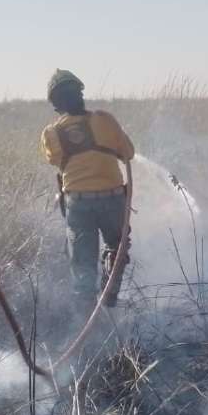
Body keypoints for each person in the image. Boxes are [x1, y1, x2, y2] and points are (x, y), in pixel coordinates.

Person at [40, 69, 135, 309]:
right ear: (81, 93)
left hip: (78, 204)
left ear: (55, 105)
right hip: (113, 200)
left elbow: (56, 162)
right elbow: (129, 153)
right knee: (118, 249)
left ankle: (86, 320)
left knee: (82, 267)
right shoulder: (104, 120)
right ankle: (109, 297)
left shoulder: (50, 133)